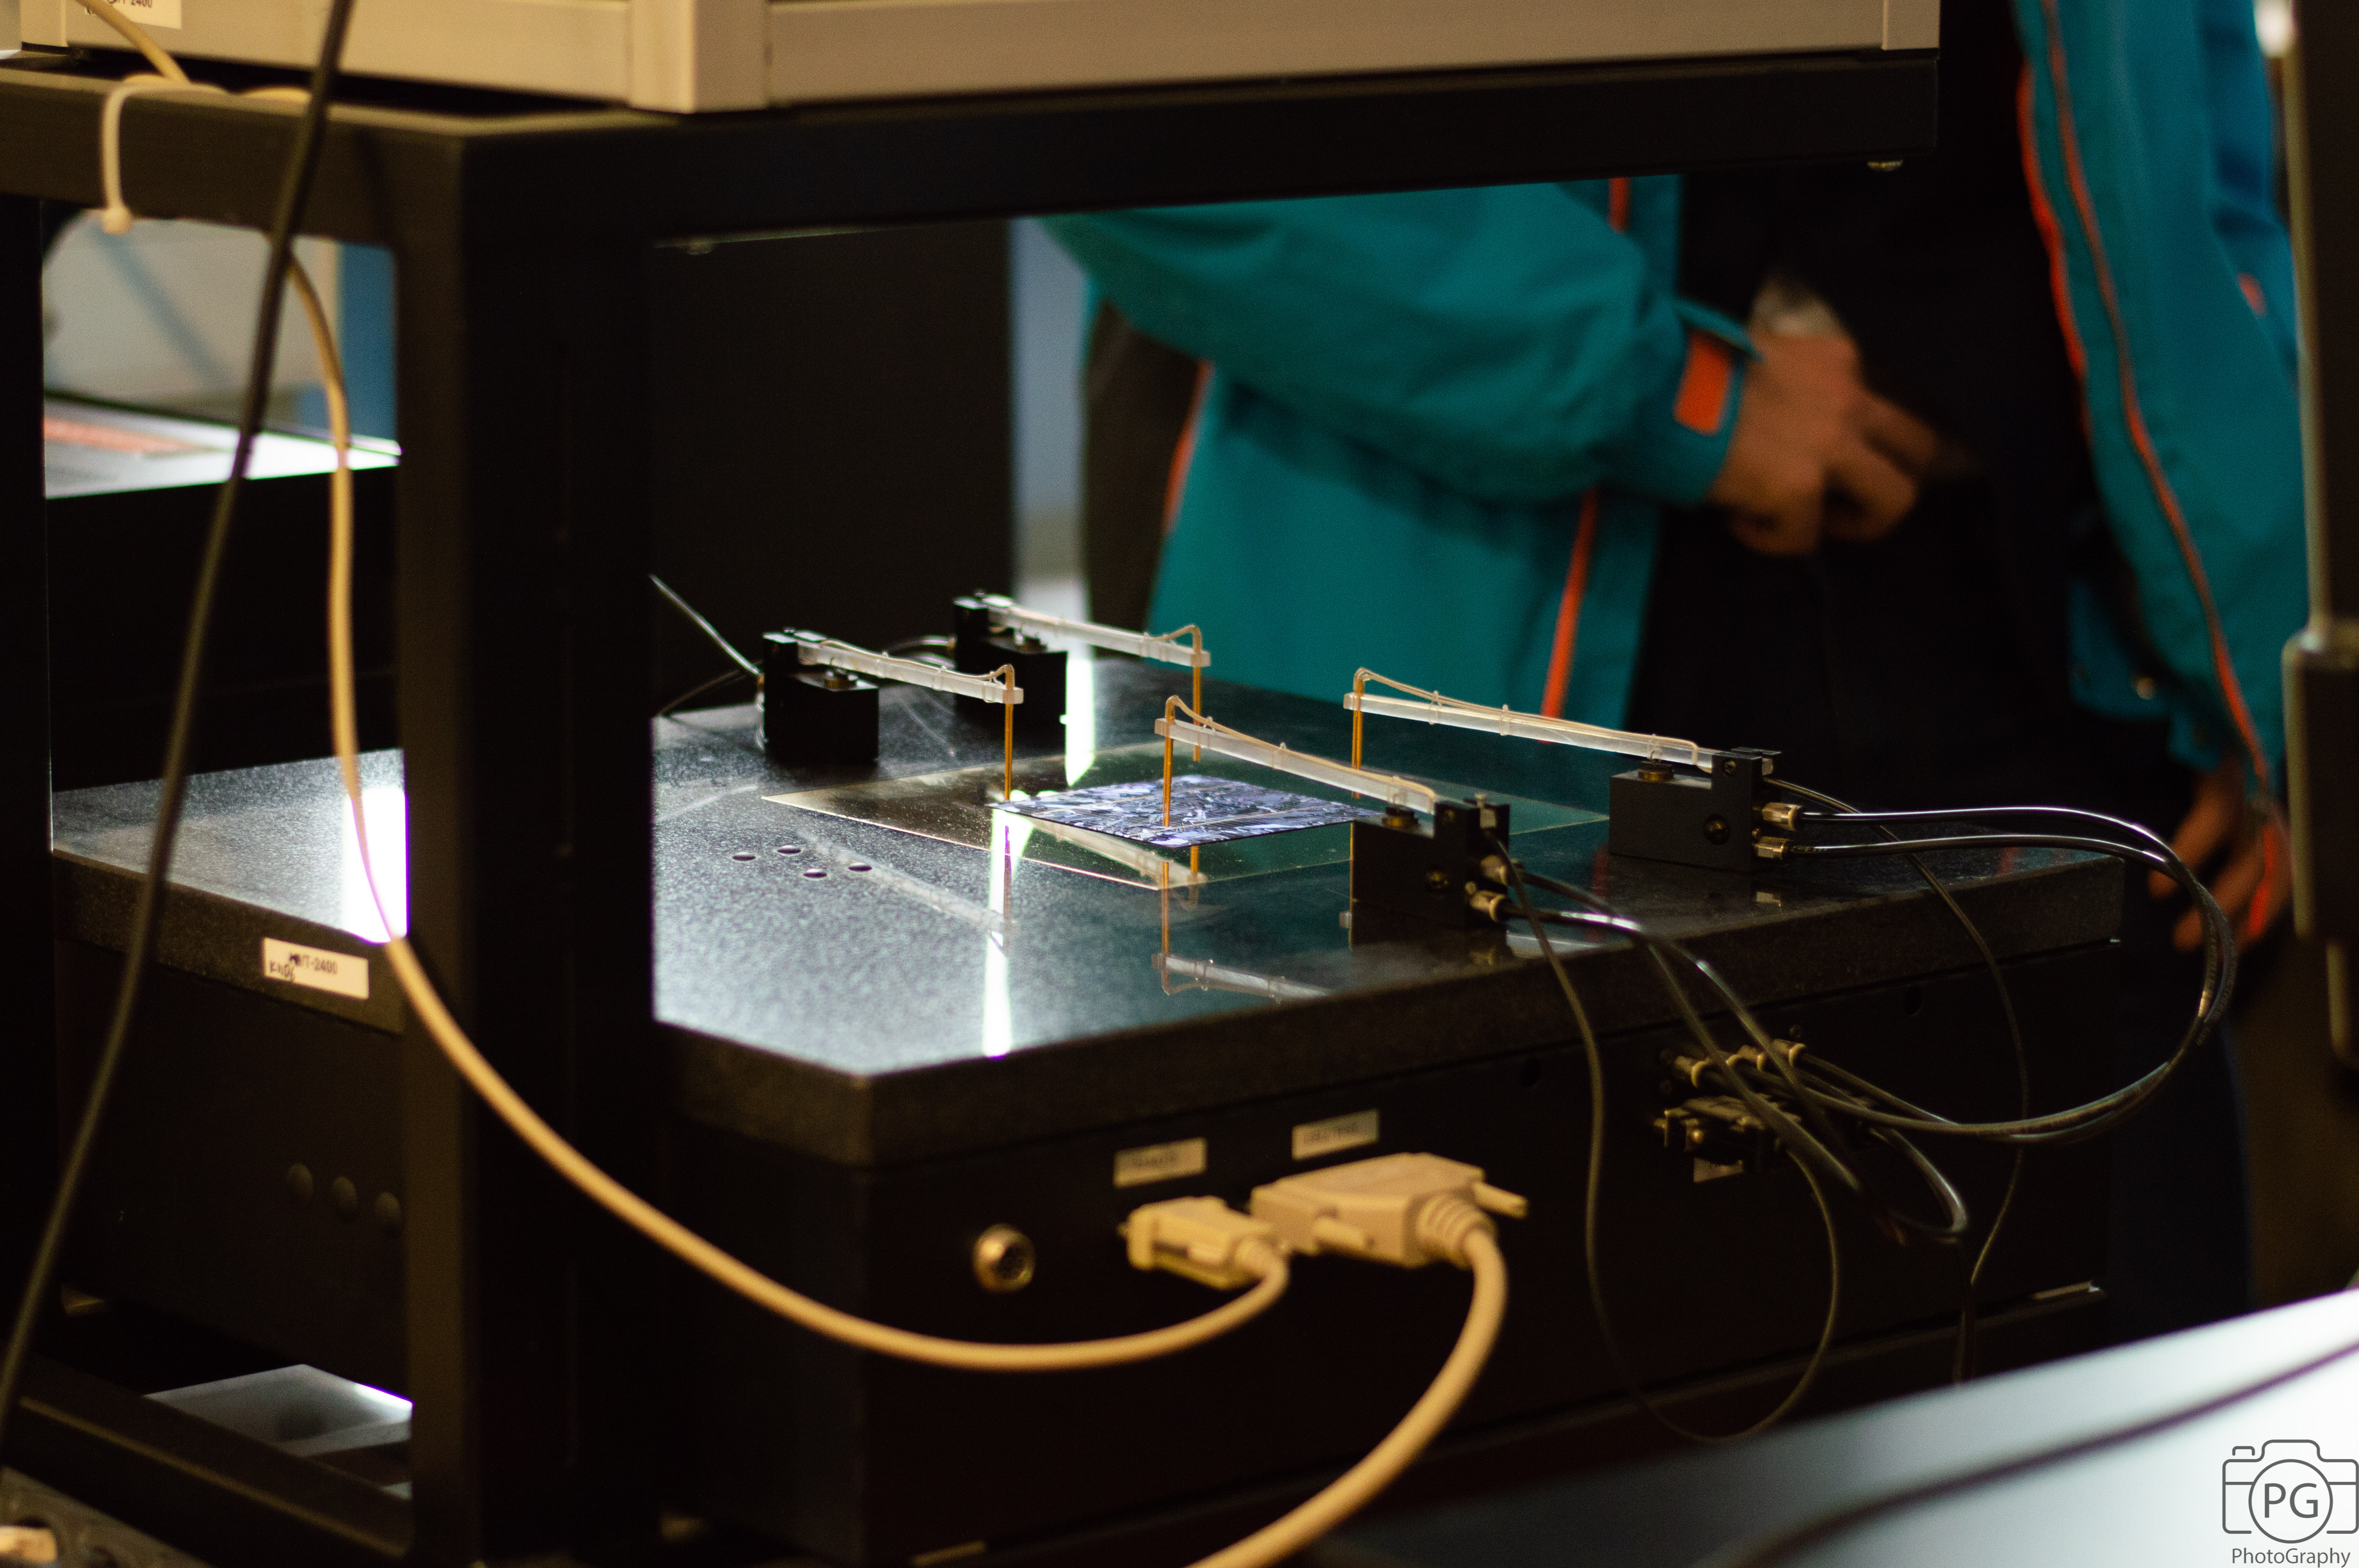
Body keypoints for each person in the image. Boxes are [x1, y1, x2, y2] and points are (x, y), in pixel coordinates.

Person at [1045, 0, 2303, 1338]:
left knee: (2128, 1407)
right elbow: (1098, 101)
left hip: (2050, 668)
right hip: (1487, 678)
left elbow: (2207, 153)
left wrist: (2259, 645)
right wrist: (1666, 386)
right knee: (1528, 1404)